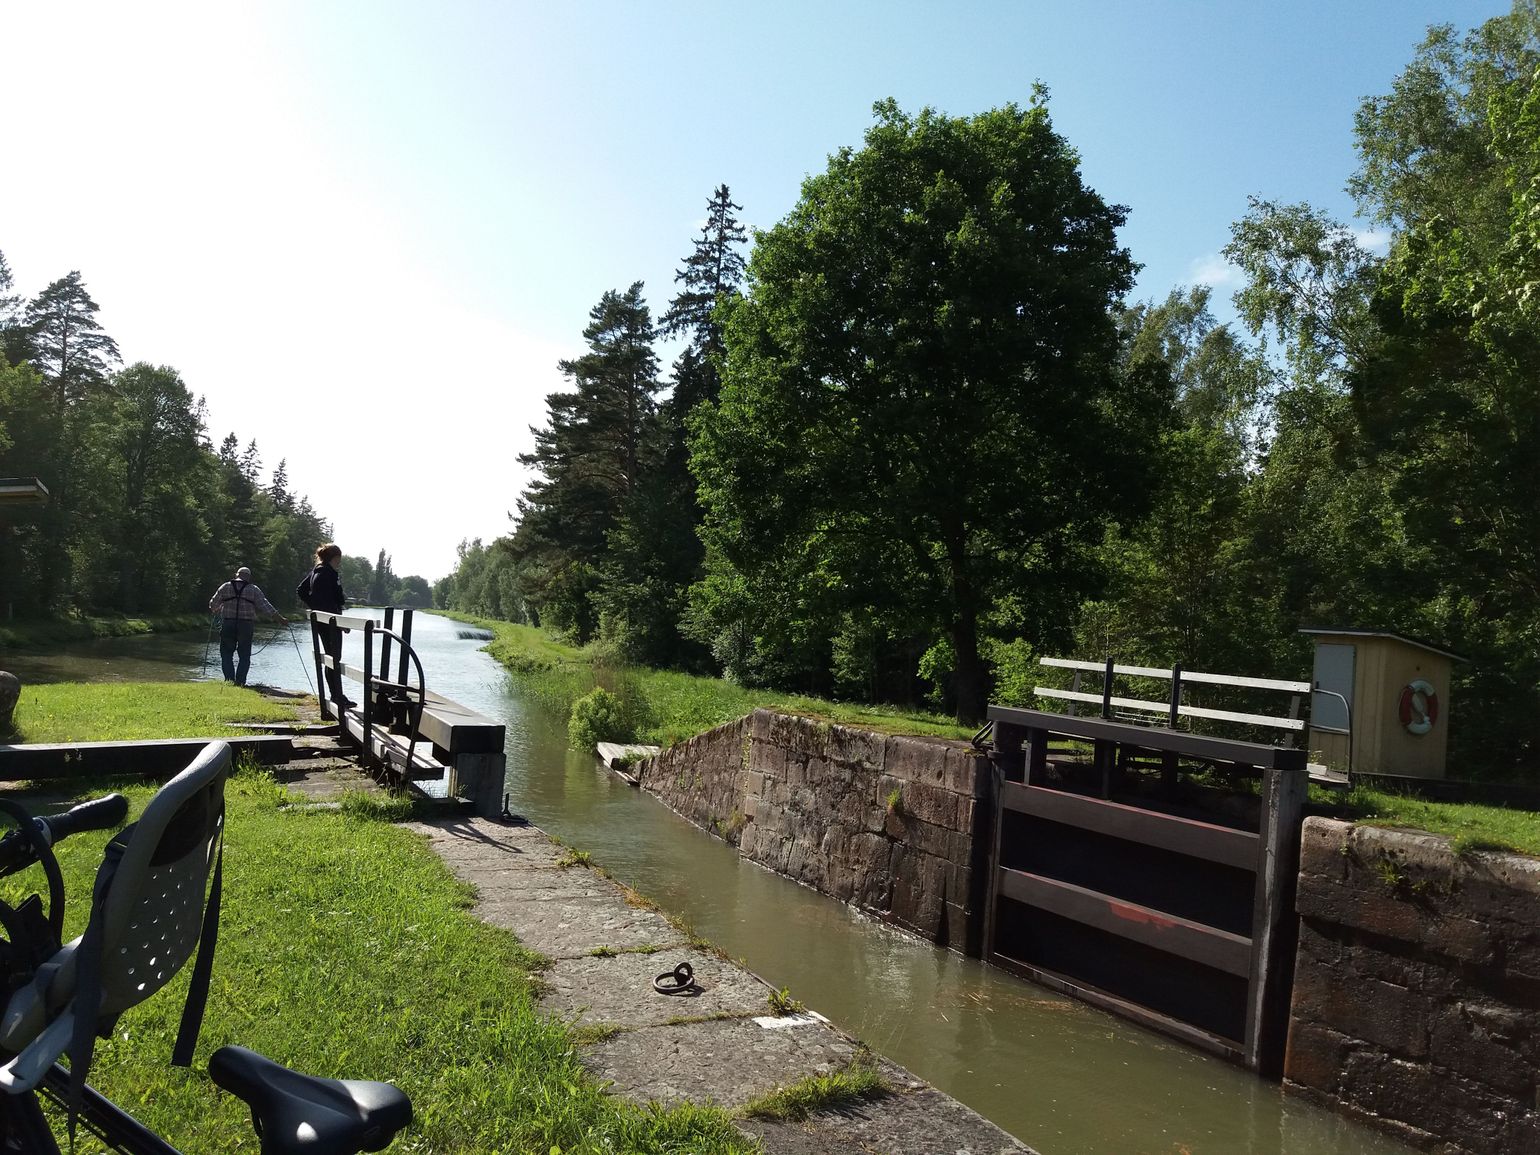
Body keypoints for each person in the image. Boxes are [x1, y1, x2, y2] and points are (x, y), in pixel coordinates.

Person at [208, 566, 286, 687]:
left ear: (237, 575)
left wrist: (218, 608)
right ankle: (240, 682)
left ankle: (229, 680)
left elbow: (213, 604)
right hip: (246, 625)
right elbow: (266, 606)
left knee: (226, 653)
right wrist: (280, 619)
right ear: (248, 577)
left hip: (228, 623)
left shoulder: (225, 586)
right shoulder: (253, 589)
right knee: (244, 655)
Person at [298, 542, 354, 709]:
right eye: (339, 559)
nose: (339, 562)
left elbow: (301, 590)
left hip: (322, 621)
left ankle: (336, 694)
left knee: (331, 657)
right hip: (331, 621)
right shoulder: (330, 573)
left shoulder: (316, 571)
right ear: (334, 558)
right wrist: (339, 623)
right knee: (334, 658)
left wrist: (314, 607)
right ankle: (337, 695)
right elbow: (334, 600)